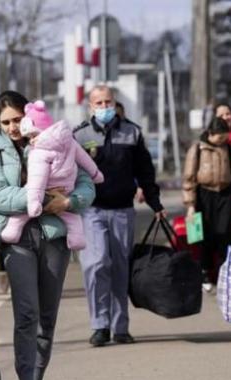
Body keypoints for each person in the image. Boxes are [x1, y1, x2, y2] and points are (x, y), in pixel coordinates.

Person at [0, 90, 96, 380]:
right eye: (5, 122)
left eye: (17, 119)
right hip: (17, 240)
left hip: (54, 237)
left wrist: (70, 201)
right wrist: (42, 200)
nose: (13, 127)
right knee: (27, 313)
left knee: (47, 316)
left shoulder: (55, 138)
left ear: (29, 114)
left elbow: (85, 181)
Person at [73, 85, 166, 347]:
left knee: (119, 267)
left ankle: (120, 327)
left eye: (108, 102)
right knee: (96, 263)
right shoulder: (79, 136)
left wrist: (155, 202)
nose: (104, 107)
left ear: (115, 103)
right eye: (99, 103)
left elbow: (145, 171)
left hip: (123, 210)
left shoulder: (132, 132)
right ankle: (99, 325)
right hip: (92, 210)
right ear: (90, 106)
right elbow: (68, 172)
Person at [1, 100, 104, 249]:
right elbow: (85, 160)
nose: (31, 140)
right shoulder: (69, 141)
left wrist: (35, 202)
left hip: (46, 191)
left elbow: (38, 180)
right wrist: (96, 174)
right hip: (67, 189)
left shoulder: (39, 152)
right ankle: (77, 240)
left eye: (32, 136)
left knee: (19, 217)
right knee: (72, 218)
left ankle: (12, 231)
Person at [182, 117, 231, 292]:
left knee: (225, 234)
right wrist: (190, 205)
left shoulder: (230, 149)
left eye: (224, 137)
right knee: (203, 236)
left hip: (225, 194)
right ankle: (205, 272)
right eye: (218, 138)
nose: (221, 141)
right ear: (210, 134)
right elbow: (189, 179)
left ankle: (223, 272)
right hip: (203, 195)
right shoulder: (197, 149)